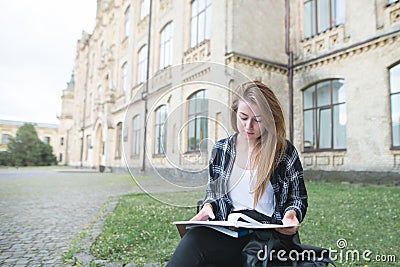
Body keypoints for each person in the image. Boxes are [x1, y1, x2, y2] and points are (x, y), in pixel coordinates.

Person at [167, 81, 308, 267]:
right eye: (243, 117)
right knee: (194, 239)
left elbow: (298, 197)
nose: (248, 126)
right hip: (230, 232)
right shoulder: (221, 149)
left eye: (257, 120)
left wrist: (292, 213)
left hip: (269, 239)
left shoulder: (284, 151)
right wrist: (208, 207)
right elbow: (214, 193)